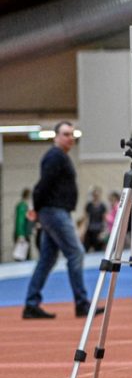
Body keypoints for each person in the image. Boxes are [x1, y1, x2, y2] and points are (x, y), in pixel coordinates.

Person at [21, 125, 95, 319]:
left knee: (47, 259)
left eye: (72, 135)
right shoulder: (55, 156)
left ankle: (31, 303)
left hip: (54, 211)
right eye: (66, 134)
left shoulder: (60, 156)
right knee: (76, 253)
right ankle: (81, 303)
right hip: (54, 212)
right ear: (56, 136)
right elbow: (42, 185)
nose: (70, 138)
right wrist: (36, 209)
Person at [80, 187, 108, 252]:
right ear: (92, 195)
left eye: (97, 195)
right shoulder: (89, 205)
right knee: (85, 249)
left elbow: (105, 220)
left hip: (99, 231)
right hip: (89, 231)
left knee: (98, 251)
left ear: (100, 195)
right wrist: (82, 232)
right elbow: (85, 219)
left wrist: (104, 232)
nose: (96, 196)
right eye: (94, 195)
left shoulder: (102, 206)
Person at [13, 187, 32, 261]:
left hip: (25, 233)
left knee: (26, 256)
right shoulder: (22, 206)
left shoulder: (26, 206)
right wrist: (21, 235)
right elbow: (20, 221)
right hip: (22, 235)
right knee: (22, 257)